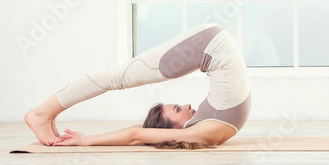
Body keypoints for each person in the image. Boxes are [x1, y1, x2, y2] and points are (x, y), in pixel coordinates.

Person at [24, 24, 251, 148]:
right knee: (117, 77)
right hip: (210, 45)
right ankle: (43, 113)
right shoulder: (202, 132)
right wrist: (88, 140)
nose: (187, 105)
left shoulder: (197, 132)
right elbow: (139, 134)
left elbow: (137, 133)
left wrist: (88, 140)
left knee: (117, 78)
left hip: (210, 44)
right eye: (179, 109)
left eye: (177, 108)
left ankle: (42, 114)